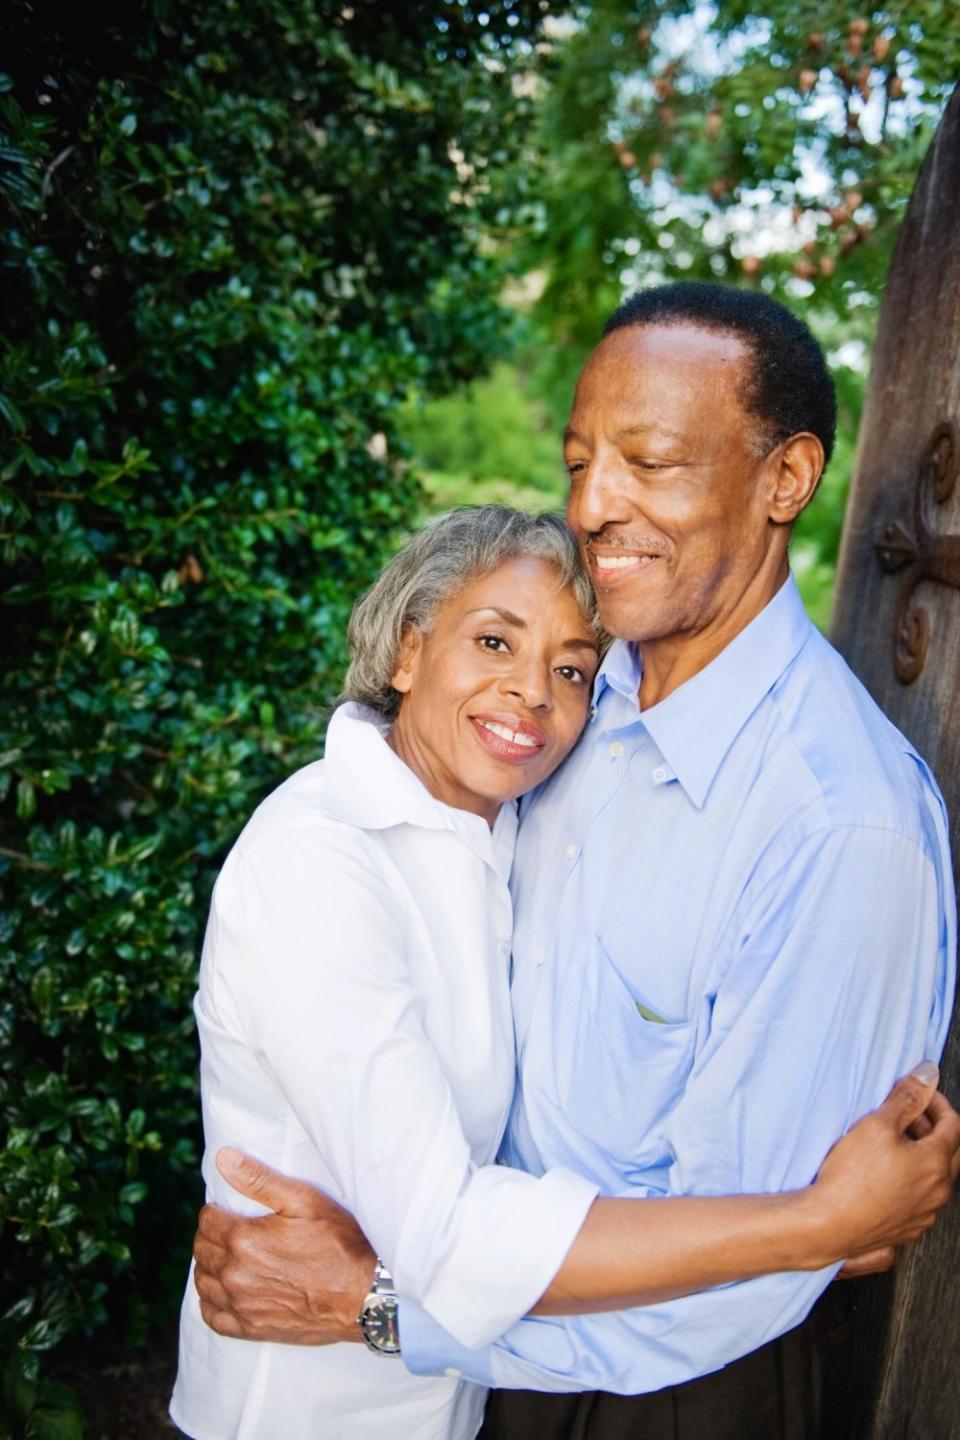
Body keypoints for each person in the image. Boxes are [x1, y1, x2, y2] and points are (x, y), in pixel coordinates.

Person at [187, 286, 958, 1439]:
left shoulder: (842, 825)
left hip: (667, 1391)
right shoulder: (575, 722)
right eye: (582, 461)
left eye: (650, 462)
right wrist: (815, 1221)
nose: (598, 506)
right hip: (473, 1374)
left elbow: (747, 1278)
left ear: (786, 480)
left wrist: (381, 1311)